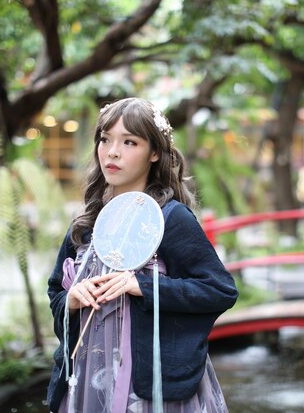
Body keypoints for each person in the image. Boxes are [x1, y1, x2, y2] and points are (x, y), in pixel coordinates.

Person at [46, 97, 239, 413]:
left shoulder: (169, 219)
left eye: (129, 142)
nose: (113, 152)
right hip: (88, 384)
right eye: (105, 139)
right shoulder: (86, 222)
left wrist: (141, 285)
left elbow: (219, 290)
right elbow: (56, 291)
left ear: (154, 153)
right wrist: (72, 300)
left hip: (150, 389)